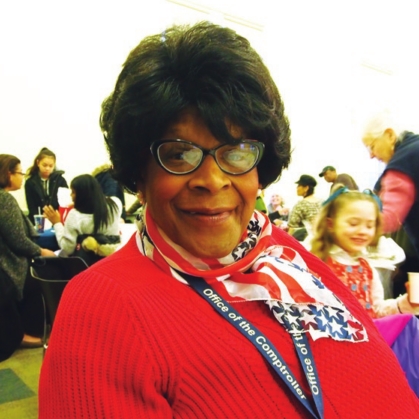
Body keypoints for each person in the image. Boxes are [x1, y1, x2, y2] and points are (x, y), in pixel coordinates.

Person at [38, 22, 419, 418]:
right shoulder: (103, 306)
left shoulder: (283, 253)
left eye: (236, 151)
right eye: (178, 153)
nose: (213, 179)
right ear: (140, 174)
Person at [310, 186, 419, 318]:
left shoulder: (367, 269)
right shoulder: (316, 264)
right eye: (353, 224)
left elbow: (377, 310)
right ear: (331, 224)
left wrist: (406, 302)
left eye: (369, 226)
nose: (362, 231)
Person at [0, 154, 56, 361]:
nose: (22, 177)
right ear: (8, 174)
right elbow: (18, 240)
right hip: (9, 265)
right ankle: (29, 333)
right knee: (45, 273)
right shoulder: (4, 199)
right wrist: (41, 251)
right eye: (19, 173)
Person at [361, 109, 419, 259]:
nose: (371, 155)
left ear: (390, 135)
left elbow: (390, 218)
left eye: (371, 146)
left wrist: (350, 224)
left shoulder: (402, 164)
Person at [43, 174, 122, 265]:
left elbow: (68, 249)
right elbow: (100, 203)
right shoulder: (115, 205)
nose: (70, 195)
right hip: (112, 261)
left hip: (87, 265)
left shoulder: (75, 216)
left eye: (73, 192)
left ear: (82, 195)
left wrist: (57, 223)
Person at [25, 147, 68, 224]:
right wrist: (40, 218)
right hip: (38, 220)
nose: (47, 168)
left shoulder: (60, 180)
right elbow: (31, 206)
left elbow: (65, 202)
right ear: (38, 163)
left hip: (57, 219)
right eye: (44, 165)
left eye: (51, 166)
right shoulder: (30, 182)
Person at [287, 174, 322, 241]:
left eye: (298, 186)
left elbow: (291, 227)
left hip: (309, 241)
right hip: (324, 239)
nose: (297, 188)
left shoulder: (301, 205)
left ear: (306, 188)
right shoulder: (322, 202)